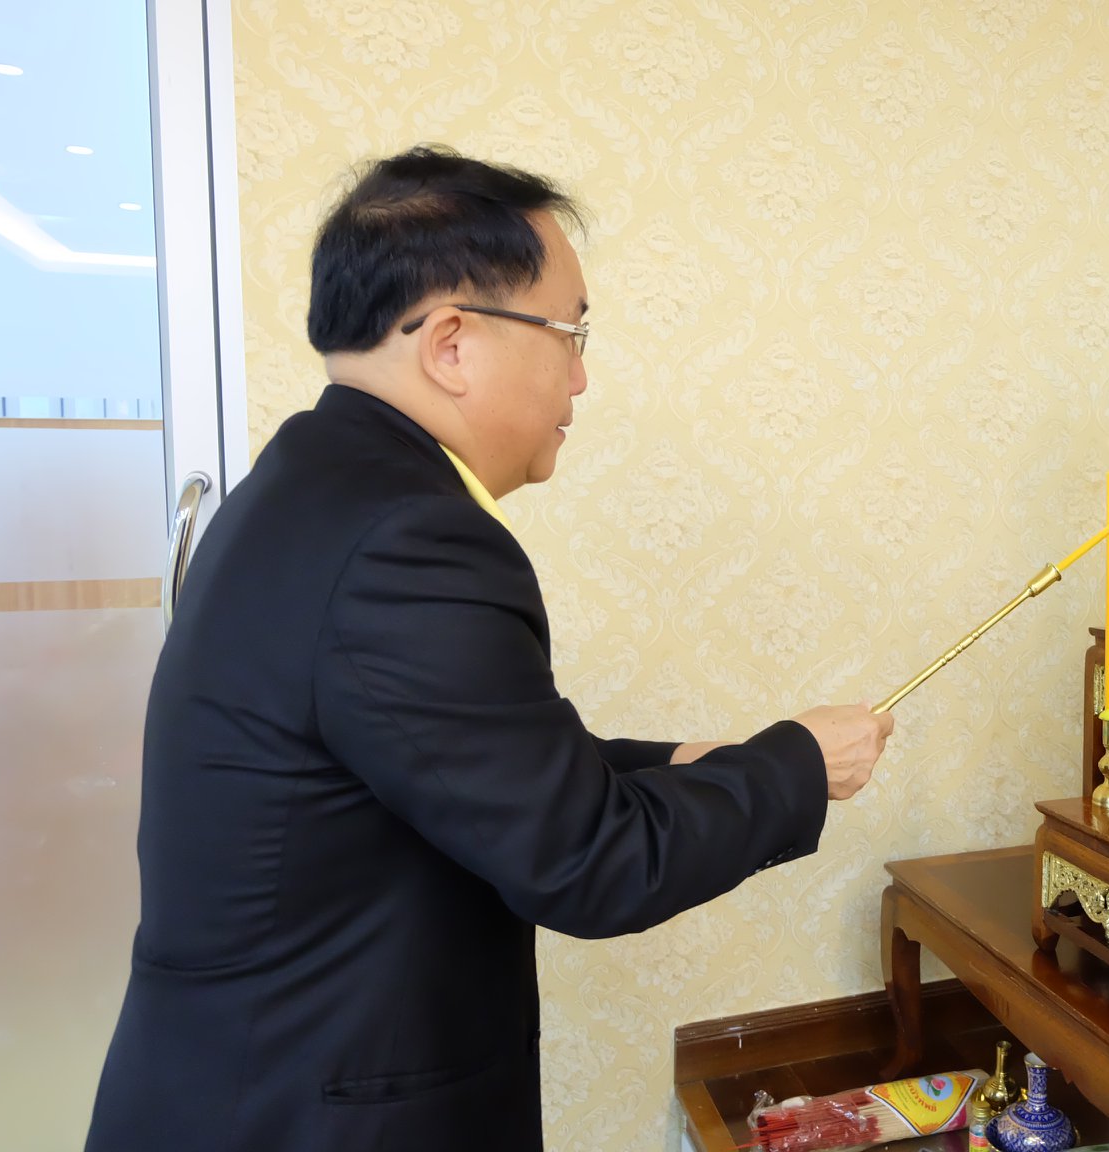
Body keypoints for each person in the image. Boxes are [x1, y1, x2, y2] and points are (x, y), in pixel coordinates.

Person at [85, 145, 895, 1152]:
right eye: (569, 332)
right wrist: (799, 765)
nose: (582, 375)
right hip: (304, 1115)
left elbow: (459, 762)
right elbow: (592, 862)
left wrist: (683, 762)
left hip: (243, 1081)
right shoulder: (409, 540)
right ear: (452, 344)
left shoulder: (309, 485)